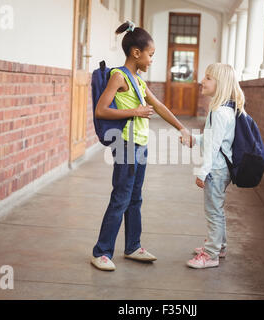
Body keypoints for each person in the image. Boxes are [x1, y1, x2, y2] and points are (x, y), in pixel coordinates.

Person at [91, 20, 193, 271]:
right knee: (121, 197)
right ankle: (101, 252)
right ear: (136, 53)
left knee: (135, 198)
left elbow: (159, 107)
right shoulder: (119, 77)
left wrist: (181, 127)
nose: (151, 60)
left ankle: (133, 246)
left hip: (140, 146)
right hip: (125, 145)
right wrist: (135, 110)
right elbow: (101, 110)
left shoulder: (139, 81)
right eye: (150, 55)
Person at [184, 63, 245, 269]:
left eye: (208, 77)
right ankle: (220, 247)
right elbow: (213, 140)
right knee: (217, 210)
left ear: (220, 83)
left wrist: (202, 172)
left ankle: (210, 255)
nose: (202, 80)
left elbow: (213, 148)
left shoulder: (219, 112)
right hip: (220, 168)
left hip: (216, 170)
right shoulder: (223, 109)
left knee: (213, 212)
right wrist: (195, 139)